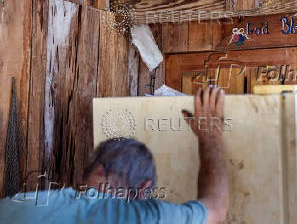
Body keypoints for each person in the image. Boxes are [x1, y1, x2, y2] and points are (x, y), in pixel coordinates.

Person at [0, 86, 229, 224]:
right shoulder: (141, 217)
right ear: (142, 189)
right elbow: (216, 210)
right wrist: (209, 136)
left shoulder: (15, 207)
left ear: (87, 173)